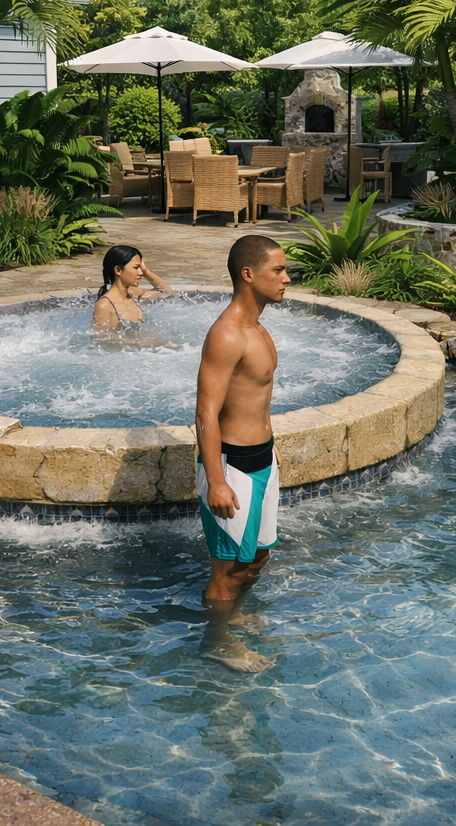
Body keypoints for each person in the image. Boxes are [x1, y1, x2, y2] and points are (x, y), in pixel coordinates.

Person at [194, 235, 290, 673]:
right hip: (232, 467)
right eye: (279, 271)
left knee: (259, 556)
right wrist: (216, 480)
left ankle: (231, 615)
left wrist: (272, 454)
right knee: (228, 568)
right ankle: (217, 641)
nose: (287, 279)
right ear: (248, 274)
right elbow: (206, 413)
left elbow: (255, 399)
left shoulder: (259, 326)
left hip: (262, 461)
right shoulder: (227, 333)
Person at [93, 244, 173, 332]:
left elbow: (166, 291)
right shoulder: (104, 305)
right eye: (136, 267)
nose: (140, 272)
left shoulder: (134, 296)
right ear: (118, 270)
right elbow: (101, 340)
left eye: (141, 268)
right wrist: (138, 342)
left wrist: (146, 271)